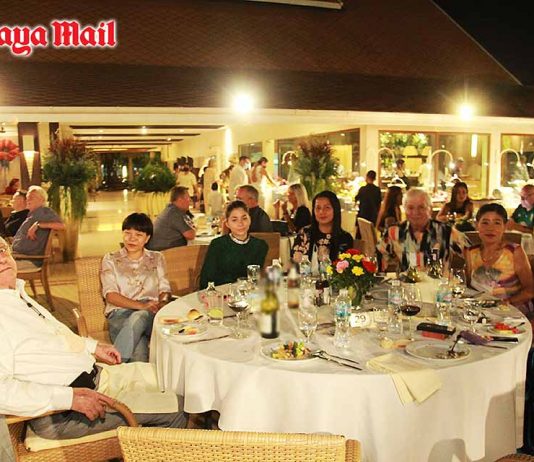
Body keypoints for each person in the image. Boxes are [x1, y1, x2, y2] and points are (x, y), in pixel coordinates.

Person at [0, 236, 186, 440]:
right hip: (65, 414)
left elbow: (54, 335)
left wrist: (92, 347)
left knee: (173, 377)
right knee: (178, 407)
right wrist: (69, 399)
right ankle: (161, 448)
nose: (2, 258)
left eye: (2, 250)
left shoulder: (16, 295)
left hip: (95, 377)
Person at [101, 213, 171, 363]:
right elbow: (111, 295)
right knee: (139, 352)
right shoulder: (110, 259)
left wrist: (162, 304)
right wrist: (141, 306)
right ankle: (122, 363)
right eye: (127, 233)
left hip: (151, 313)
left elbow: (164, 289)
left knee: (140, 316)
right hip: (120, 315)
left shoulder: (157, 258)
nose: (131, 239)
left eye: (138, 235)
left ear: (147, 238)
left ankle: (114, 360)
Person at [466, 203, 534, 317]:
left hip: (512, 314)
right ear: (477, 225)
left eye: (497, 223)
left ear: (505, 226)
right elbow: (468, 287)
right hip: (479, 313)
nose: (490, 228)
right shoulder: (470, 252)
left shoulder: (514, 252)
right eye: (485, 222)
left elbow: (530, 290)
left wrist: (506, 302)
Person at [376, 188, 452, 271]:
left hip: (438, 279)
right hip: (405, 279)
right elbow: (378, 257)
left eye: (421, 207)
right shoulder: (394, 232)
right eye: (410, 208)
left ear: (430, 209)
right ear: (405, 210)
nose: (416, 212)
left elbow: (464, 246)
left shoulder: (445, 231)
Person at [199, 200, 268, 289]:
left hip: (249, 294)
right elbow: (205, 281)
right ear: (227, 223)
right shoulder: (217, 245)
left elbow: (256, 279)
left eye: (244, 218)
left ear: (250, 219)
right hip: (222, 293)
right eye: (234, 220)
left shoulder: (260, 246)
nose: (240, 223)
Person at [291, 190, 353, 270]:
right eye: (318, 208)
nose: (321, 212)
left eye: (327, 208)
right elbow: (294, 264)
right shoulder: (304, 233)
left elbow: (346, 270)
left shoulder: (345, 238)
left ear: (335, 210)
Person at [12, 186, 65, 271]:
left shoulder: (45, 212)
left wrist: (38, 225)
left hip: (29, 260)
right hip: (17, 256)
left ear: (42, 200)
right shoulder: (33, 214)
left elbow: (62, 226)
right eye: (27, 198)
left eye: (31, 198)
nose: (28, 200)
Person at [147, 186, 196, 251]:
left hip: (159, 248)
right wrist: (193, 227)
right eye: (188, 198)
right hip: (164, 251)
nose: (190, 201)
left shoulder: (170, 209)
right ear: (180, 200)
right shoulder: (175, 213)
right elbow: (190, 235)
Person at [355, 170, 382, 238]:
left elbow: (356, 198)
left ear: (367, 177)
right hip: (373, 216)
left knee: (359, 236)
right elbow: (379, 203)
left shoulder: (362, 189)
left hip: (362, 214)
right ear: (374, 178)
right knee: (370, 236)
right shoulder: (377, 190)